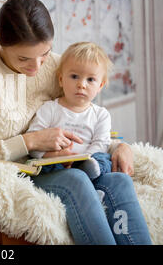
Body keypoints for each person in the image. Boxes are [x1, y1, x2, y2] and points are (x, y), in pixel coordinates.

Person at [0, 0, 152, 244]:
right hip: (16, 173)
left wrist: (118, 146)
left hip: (62, 162)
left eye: (44, 53)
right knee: (76, 182)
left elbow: (80, 116)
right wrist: (30, 142)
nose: (36, 66)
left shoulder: (56, 66)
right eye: (23, 59)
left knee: (119, 183)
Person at [27, 42, 113, 180]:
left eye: (90, 79)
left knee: (104, 159)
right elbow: (34, 142)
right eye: (74, 77)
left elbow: (101, 144)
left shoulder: (101, 115)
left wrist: (83, 160)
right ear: (61, 79)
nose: (82, 85)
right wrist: (54, 156)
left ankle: (89, 173)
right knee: (42, 165)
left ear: (100, 86)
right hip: (57, 163)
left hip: (89, 160)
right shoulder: (50, 109)